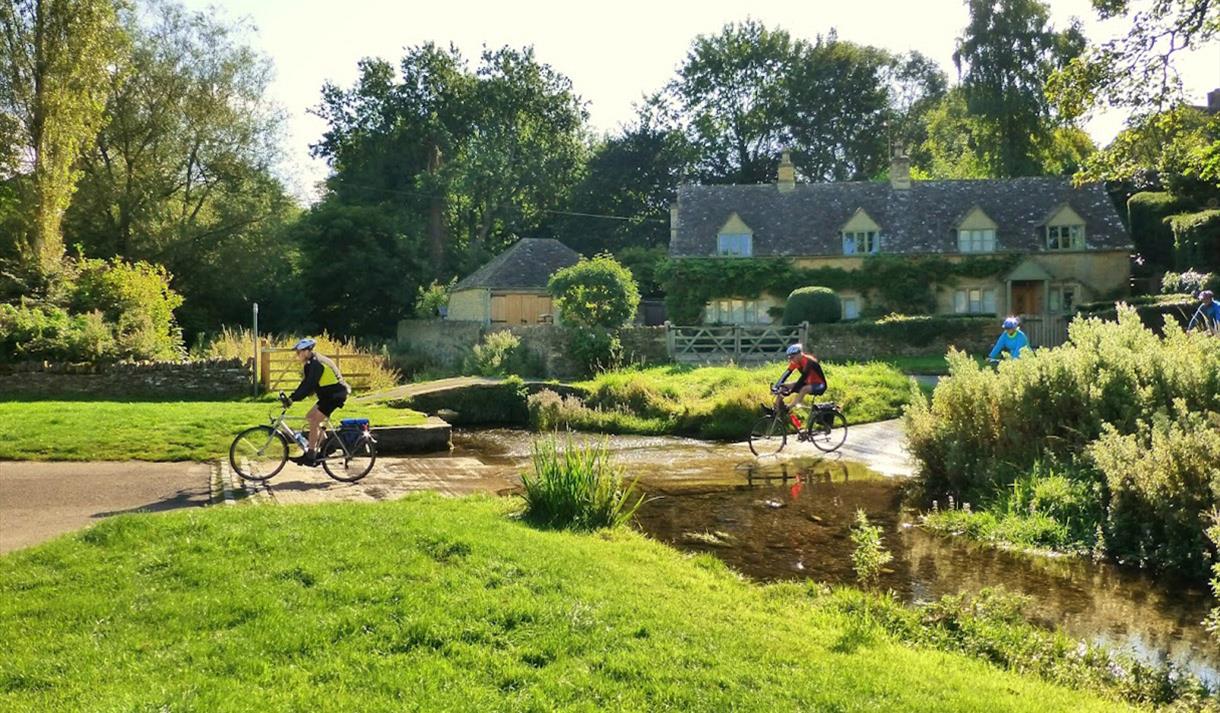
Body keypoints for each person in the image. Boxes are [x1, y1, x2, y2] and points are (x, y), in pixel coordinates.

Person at [285, 338, 350, 466]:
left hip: (335, 395)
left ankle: (310, 454)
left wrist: (293, 398)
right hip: (328, 395)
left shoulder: (316, 364)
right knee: (309, 417)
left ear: (307, 351)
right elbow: (305, 384)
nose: (297, 355)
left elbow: (309, 385)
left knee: (314, 421)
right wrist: (292, 397)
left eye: (299, 352)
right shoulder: (311, 362)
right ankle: (327, 446)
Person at [773, 343, 828, 418]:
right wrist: (777, 386)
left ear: (799, 354)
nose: (790, 359)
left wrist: (791, 391)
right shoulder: (796, 361)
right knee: (784, 386)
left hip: (820, 385)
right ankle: (776, 410)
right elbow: (786, 374)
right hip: (808, 382)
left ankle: (790, 408)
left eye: (792, 357)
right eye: (789, 357)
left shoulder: (808, 361)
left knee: (804, 389)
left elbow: (803, 378)